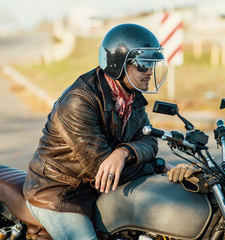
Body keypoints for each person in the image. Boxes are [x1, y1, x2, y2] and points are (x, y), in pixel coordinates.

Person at [23, 23, 170, 240]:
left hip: (94, 191)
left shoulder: (132, 96)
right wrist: (158, 166)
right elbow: (103, 172)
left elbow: (148, 141)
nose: (149, 70)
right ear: (118, 64)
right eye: (143, 64)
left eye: (152, 64)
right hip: (60, 193)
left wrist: (123, 152)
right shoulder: (79, 101)